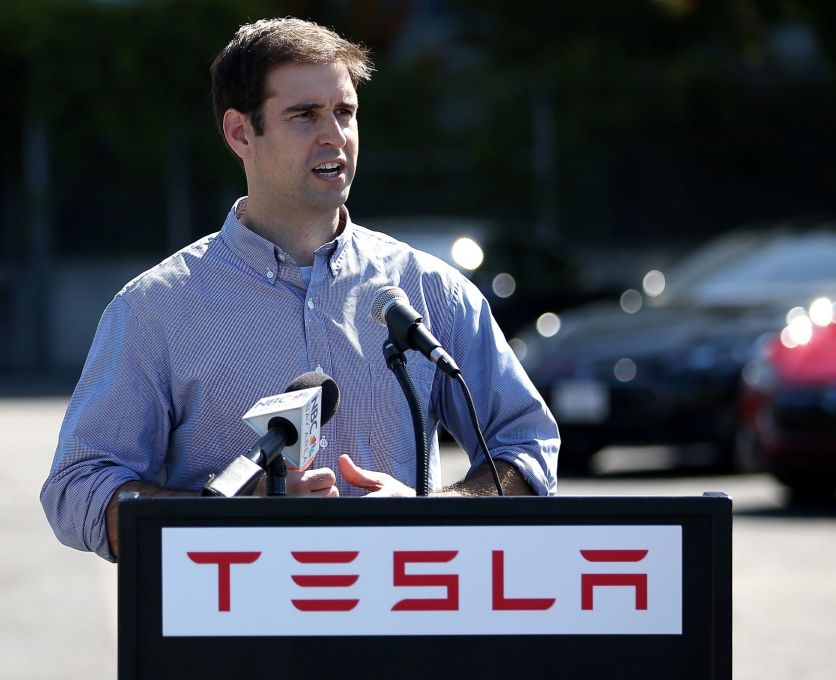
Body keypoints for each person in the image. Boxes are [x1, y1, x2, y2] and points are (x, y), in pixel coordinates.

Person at [40, 17, 559, 562]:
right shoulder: (157, 308)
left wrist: (428, 513)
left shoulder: (428, 290)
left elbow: (526, 445)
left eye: (345, 112)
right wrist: (222, 516)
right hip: (230, 638)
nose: (334, 134)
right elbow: (78, 489)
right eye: (304, 115)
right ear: (241, 133)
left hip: (404, 628)